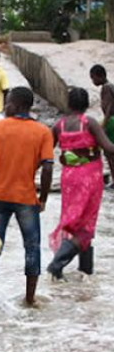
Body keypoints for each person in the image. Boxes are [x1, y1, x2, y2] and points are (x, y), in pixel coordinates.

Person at [0, 87, 54, 310]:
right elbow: (47, 168)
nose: (4, 107)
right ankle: (30, 298)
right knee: (32, 247)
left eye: (7, 103)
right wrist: (43, 198)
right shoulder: (42, 132)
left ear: (17, 105)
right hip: (26, 197)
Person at [47, 88, 114, 279]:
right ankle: (57, 264)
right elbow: (108, 147)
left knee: (75, 221)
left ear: (69, 104)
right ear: (85, 105)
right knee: (87, 223)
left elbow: (46, 152)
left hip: (69, 177)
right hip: (90, 176)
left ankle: (85, 272)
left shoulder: (58, 126)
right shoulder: (89, 123)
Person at [90, 64, 114, 187]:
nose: (92, 81)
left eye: (93, 78)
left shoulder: (106, 88)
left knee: (109, 152)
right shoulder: (110, 86)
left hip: (111, 122)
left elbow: (109, 108)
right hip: (111, 120)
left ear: (100, 76)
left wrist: (103, 124)